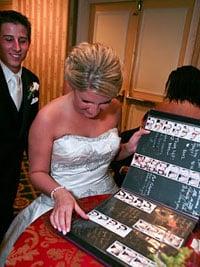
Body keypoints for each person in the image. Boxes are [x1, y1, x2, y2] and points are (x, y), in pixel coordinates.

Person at [0, 42, 148, 264]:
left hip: (106, 197)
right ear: (72, 85)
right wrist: (60, 193)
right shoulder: (48, 118)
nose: (94, 110)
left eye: (103, 102)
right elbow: (37, 172)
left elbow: (102, 158)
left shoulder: (116, 108)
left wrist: (127, 149)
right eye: (86, 101)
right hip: (60, 199)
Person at [0, 10, 39, 243]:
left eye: (22, 40)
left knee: (5, 216)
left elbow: (30, 127)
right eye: (8, 39)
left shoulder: (33, 81)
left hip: (14, 169)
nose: (17, 47)